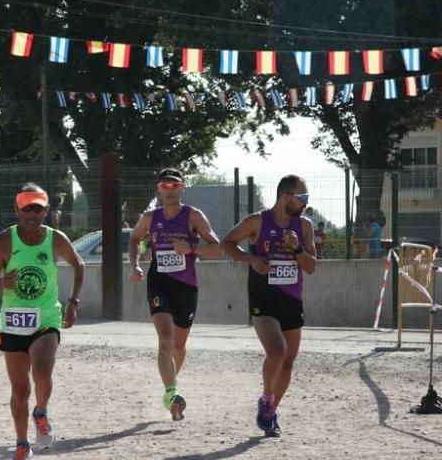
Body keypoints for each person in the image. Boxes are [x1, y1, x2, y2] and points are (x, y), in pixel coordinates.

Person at [0, 183, 84, 460]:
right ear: (17, 209)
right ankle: (22, 444)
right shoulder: (4, 241)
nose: (32, 213)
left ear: (46, 210)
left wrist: (73, 301)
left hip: (46, 319)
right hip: (13, 322)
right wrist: (3, 283)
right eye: (27, 207)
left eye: (37, 207)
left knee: (41, 373)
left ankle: (41, 413)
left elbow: (78, 265)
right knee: (20, 388)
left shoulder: (55, 239)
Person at [221, 174, 317, 438]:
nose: (306, 203)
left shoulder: (304, 226)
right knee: (277, 352)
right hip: (263, 298)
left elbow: (311, 267)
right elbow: (226, 243)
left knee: (288, 362)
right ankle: (265, 398)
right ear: (285, 197)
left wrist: (297, 250)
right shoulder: (257, 221)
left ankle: (271, 410)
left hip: (292, 299)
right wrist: (251, 259)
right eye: (303, 198)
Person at [128, 168, 222, 421]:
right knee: (165, 339)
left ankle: (170, 388)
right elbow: (135, 239)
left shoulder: (193, 216)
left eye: (174, 185)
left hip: (186, 287)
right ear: (158, 189)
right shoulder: (150, 217)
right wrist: (134, 265)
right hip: (159, 283)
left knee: (179, 347)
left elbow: (218, 249)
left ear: (182, 187)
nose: (169, 190)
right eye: (165, 186)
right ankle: (171, 393)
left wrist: (191, 248)